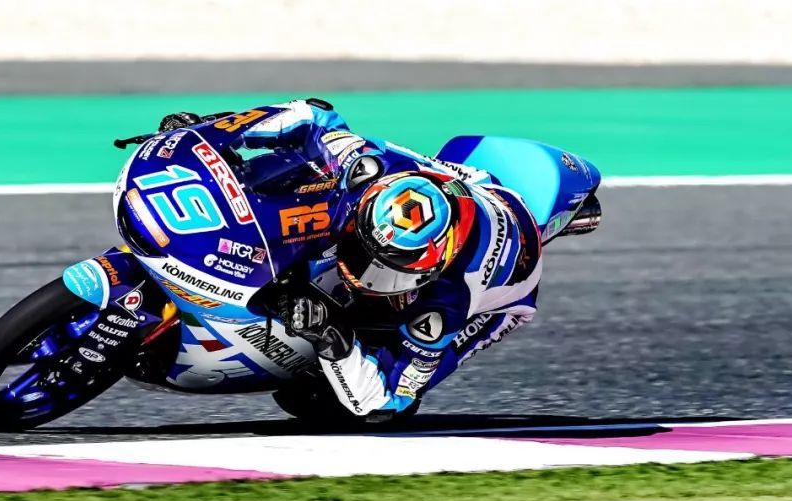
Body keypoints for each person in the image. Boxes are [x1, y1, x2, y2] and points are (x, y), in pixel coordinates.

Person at [159, 99, 549, 418]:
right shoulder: (368, 167)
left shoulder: (445, 304)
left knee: (334, 405)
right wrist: (218, 131)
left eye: (385, 270)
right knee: (304, 178)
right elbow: (313, 115)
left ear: (428, 271)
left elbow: (389, 399)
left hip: (502, 297)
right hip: (471, 185)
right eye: (364, 254)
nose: (360, 272)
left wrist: (331, 335)